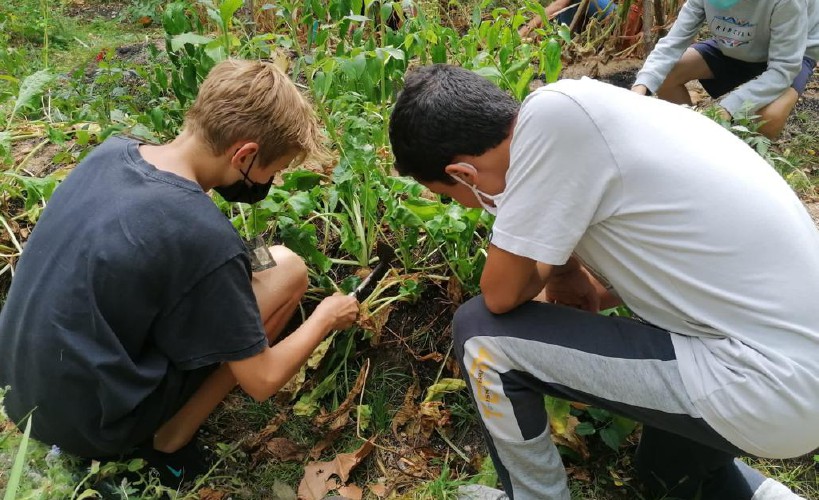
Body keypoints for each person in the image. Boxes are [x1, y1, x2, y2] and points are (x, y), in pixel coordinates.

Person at [389, 64, 819, 499]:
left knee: (481, 334)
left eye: (453, 196)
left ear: (463, 174)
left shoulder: (553, 125)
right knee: (663, 479)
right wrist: (567, 271)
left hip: (765, 382)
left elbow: (501, 295)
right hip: (792, 372)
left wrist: (532, 244)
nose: (466, 205)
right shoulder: (591, 108)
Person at [0, 59, 359, 486]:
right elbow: (262, 381)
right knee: (289, 276)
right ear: (244, 153)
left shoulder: (114, 152)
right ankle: (168, 439)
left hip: (20, 394)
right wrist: (326, 317)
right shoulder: (202, 232)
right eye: (272, 170)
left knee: (275, 263)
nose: (271, 181)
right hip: (92, 427)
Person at [632, 0, 819, 139]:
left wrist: (726, 109)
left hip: (794, 52)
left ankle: (753, 164)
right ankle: (688, 139)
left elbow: (783, 68)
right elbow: (671, 44)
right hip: (738, 43)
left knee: (768, 117)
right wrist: (639, 90)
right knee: (668, 74)